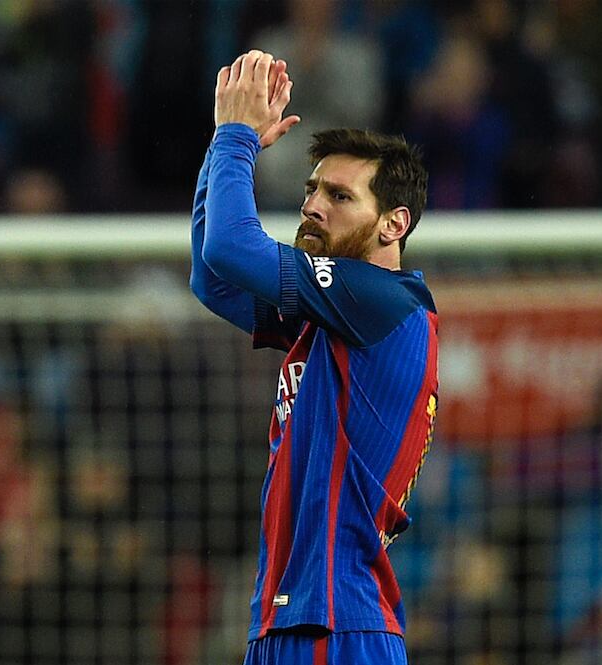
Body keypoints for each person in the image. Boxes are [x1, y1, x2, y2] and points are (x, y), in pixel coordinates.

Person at [190, 51, 438, 664]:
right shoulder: (335, 318)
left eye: (339, 195)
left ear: (393, 224)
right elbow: (211, 278)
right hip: (290, 621)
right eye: (311, 190)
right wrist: (222, 148)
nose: (312, 206)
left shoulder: (381, 299)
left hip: (336, 626)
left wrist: (236, 137)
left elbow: (230, 246)